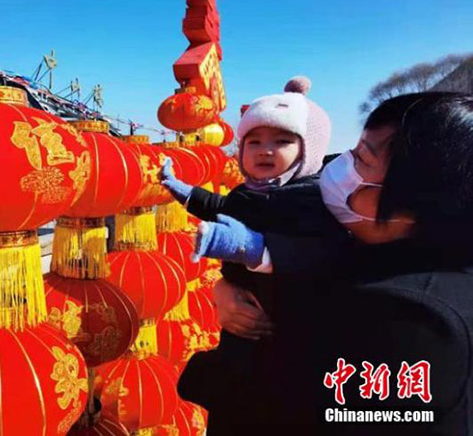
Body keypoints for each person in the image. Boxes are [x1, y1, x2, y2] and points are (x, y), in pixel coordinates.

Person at [178, 92, 473, 434]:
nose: (339, 169)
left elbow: (292, 406)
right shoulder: (386, 247)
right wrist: (229, 284)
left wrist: (199, 375)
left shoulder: (413, 317)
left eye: (362, 161)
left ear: (416, 202)